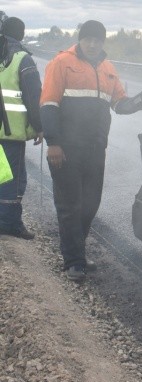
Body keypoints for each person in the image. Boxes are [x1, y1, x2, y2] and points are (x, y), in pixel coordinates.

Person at [40, 20, 137, 281]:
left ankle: (77, 253)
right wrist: (53, 142)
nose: (93, 44)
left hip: (95, 148)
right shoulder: (62, 63)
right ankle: (73, 261)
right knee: (70, 205)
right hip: (66, 149)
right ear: (80, 39)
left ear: (103, 42)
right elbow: (48, 104)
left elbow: (120, 103)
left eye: (98, 40)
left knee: (90, 203)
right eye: (88, 39)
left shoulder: (108, 69)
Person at [0, 17, 43, 239]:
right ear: (22, 34)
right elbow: (33, 97)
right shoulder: (22, 59)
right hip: (10, 133)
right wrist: (40, 126)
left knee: (2, 176)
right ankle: (10, 225)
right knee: (13, 181)